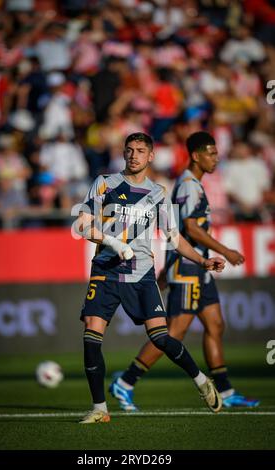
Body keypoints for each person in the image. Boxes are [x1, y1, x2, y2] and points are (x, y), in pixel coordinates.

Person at [74, 132, 225, 424]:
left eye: (140, 151)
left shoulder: (158, 192)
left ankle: (201, 380)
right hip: (105, 271)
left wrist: (203, 259)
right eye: (129, 150)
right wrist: (116, 244)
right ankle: (100, 409)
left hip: (141, 274)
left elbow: (174, 238)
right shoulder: (104, 183)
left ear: (151, 156)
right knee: (91, 336)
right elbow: (82, 225)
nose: (133, 155)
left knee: (161, 338)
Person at [109, 131, 260, 411]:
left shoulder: (195, 184)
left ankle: (225, 392)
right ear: (196, 155)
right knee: (172, 334)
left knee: (215, 324)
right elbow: (188, 228)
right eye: (211, 153)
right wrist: (225, 251)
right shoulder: (188, 186)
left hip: (197, 270)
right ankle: (126, 382)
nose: (215, 158)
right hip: (188, 269)